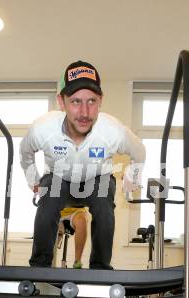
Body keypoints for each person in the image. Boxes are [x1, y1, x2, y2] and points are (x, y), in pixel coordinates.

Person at [20, 60, 145, 269]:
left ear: (101, 101)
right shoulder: (43, 129)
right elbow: (25, 153)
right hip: (59, 178)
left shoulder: (112, 130)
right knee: (48, 195)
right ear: (62, 102)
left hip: (97, 179)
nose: (85, 112)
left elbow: (139, 151)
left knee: (104, 202)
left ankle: (100, 267)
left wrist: (132, 175)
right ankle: (40, 267)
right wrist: (33, 179)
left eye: (92, 101)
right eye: (76, 101)